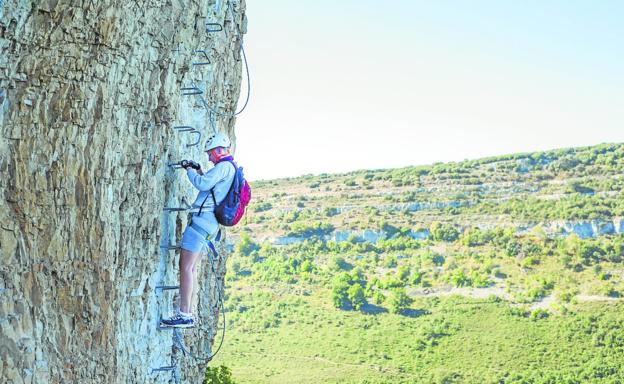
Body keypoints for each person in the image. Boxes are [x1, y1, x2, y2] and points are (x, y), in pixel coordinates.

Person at [160, 132, 236, 328]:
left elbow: (201, 184)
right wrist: (200, 169)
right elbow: (211, 186)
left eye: (210, 153)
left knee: (186, 268)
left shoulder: (223, 167)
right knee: (192, 269)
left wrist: (189, 170)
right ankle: (188, 312)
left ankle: (184, 314)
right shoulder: (229, 168)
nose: (209, 157)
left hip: (201, 222)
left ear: (219, 150)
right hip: (210, 225)